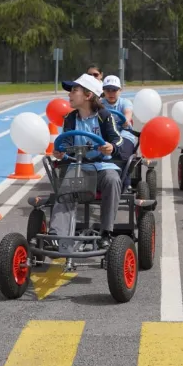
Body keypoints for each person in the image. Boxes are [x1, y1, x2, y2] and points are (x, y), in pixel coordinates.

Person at [50, 73, 124, 250]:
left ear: (88, 95)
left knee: (113, 180)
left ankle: (106, 232)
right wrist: (60, 151)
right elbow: (66, 142)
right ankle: (56, 236)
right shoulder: (70, 118)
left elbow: (118, 140)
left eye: (74, 91)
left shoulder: (105, 116)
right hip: (79, 166)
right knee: (65, 189)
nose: (69, 95)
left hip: (103, 166)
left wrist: (111, 147)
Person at [101, 74, 138, 163]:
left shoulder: (125, 102)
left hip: (124, 134)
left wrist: (126, 119)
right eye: (108, 90)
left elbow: (128, 112)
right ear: (103, 91)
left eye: (114, 90)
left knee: (123, 153)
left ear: (120, 90)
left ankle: (123, 174)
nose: (111, 93)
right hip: (105, 135)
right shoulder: (99, 104)